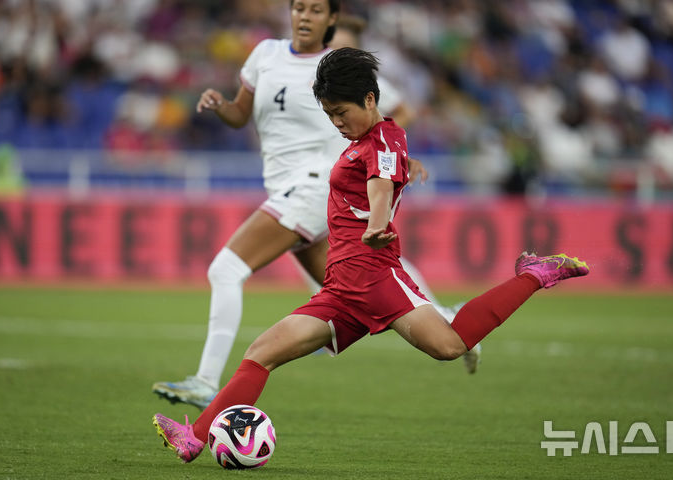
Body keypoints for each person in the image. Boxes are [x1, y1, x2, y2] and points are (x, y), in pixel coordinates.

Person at [152, 47, 590, 463]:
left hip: (375, 277)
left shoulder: (383, 140)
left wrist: (378, 226)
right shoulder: (373, 140)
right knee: (262, 352)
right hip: (341, 289)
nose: (337, 123)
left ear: (369, 98)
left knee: (449, 345)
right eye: (329, 115)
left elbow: (380, 188)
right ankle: (194, 439)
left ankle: (534, 274)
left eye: (341, 113)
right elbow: (381, 176)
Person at [151, 0, 477, 413]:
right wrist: (222, 108)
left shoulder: (338, 68)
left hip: (317, 186)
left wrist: (393, 157)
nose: (305, 16)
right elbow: (240, 114)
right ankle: (452, 321)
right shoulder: (265, 54)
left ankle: (205, 382)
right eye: (299, 7)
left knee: (226, 268)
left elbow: (391, 114)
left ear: (332, 19)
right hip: (287, 190)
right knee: (362, 287)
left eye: (316, 9)